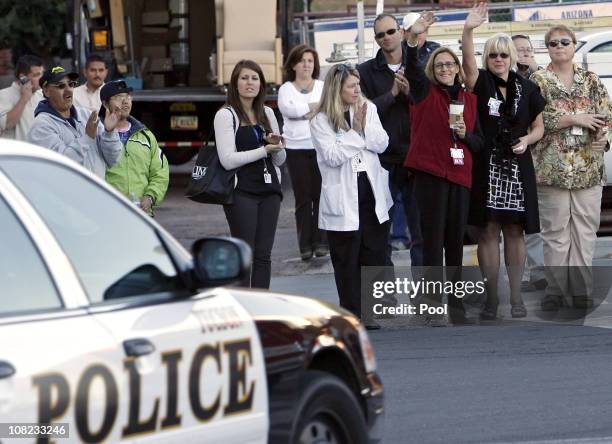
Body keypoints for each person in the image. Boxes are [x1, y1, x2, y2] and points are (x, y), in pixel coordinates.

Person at [462, 3, 545, 320]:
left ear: (513, 57)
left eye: (504, 55)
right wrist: (468, 30)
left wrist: (526, 139)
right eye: (493, 55)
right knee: (487, 232)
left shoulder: (528, 86)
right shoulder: (480, 81)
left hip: (517, 165)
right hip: (487, 164)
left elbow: (539, 126)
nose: (499, 59)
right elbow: (467, 64)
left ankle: (515, 298)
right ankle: (491, 298)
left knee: (514, 232)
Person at [404, 12, 484, 326]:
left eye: (450, 65)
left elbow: (478, 143)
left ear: (458, 69)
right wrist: (413, 37)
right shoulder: (424, 92)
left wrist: (467, 135)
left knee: (455, 241)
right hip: (431, 174)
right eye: (440, 66)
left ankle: (456, 303)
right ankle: (432, 304)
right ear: (433, 71)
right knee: (432, 240)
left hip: (459, 175)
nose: (446, 69)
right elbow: (411, 66)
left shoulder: (470, 100)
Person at [530, 25, 612, 311]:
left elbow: (606, 115)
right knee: (555, 232)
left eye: (564, 42)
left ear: (574, 45)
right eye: (553, 43)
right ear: (547, 48)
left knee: (584, 233)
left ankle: (580, 291)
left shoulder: (590, 79)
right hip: (552, 167)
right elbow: (535, 119)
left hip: (588, 166)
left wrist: (603, 137)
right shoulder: (538, 80)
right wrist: (574, 118)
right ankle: (555, 290)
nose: (559, 46)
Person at [309, 63, 392, 326]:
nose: (358, 90)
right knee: (347, 259)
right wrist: (356, 133)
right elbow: (333, 157)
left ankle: (372, 312)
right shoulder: (320, 120)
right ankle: (352, 313)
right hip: (343, 196)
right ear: (337, 89)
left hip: (370, 188)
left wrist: (359, 133)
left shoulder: (369, 109)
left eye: (358, 84)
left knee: (374, 252)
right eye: (352, 86)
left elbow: (381, 143)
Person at [357, 13, 423, 266]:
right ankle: (383, 298)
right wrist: (392, 94)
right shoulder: (364, 72)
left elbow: (431, 108)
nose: (386, 37)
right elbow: (361, 114)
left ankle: (425, 298)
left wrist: (410, 95)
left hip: (416, 159)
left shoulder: (419, 65)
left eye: (390, 31)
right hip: (381, 161)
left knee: (421, 235)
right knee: (379, 236)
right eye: (380, 34)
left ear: (402, 32)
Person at [214, 60, 286, 290]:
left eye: (255, 78)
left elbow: (280, 160)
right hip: (241, 192)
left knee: (264, 256)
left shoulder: (267, 113)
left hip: (269, 191)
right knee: (245, 253)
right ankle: (245, 309)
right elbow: (227, 160)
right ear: (235, 83)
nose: (250, 83)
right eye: (244, 77)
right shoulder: (226, 115)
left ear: (261, 84)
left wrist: (277, 146)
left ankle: (262, 310)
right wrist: (263, 150)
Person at [277, 44, 328, 261]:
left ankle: (321, 242)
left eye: (310, 60)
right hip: (295, 148)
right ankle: (305, 245)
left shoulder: (322, 86)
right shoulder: (285, 89)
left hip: (319, 147)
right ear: (294, 65)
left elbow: (326, 108)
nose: (307, 64)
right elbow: (287, 110)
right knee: (302, 198)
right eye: (302, 60)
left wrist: (303, 110)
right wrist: (311, 108)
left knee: (320, 196)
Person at [28, 66, 123, 178]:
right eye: (61, 86)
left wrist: (109, 133)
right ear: (46, 91)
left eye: (71, 84)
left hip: (96, 192)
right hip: (66, 195)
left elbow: (113, 160)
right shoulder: (41, 126)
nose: (68, 89)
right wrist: (87, 138)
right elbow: (62, 165)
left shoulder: (86, 115)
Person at [511, 34, 547, 293]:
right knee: (514, 221)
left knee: (539, 218)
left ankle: (540, 272)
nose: (524, 54)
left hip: (541, 156)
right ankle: (520, 274)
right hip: (514, 157)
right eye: (518, 50)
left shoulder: (542, 76)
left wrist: (534, 70)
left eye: (528, 49)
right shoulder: (502, 78)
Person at [102, 80, 169, 216]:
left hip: (141, 217)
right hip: (108, 215)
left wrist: (150, 197)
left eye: (127, 97)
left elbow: (160, 173)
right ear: (105, 104)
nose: (125, 101)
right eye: (118, 97)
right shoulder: (97, 133)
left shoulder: (146, 135)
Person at [0, 55, 44, 141]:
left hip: (39, 152)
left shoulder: (41, 95)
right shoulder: (4, 95)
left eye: (42, 74)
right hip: (19, 153)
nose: (42, 78)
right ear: (23, 78)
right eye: (37, 75)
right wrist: (23, 99)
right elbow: (7, 124)